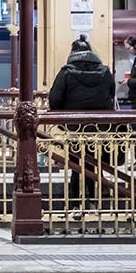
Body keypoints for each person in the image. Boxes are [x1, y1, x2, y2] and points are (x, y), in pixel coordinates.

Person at [50, 36, 117, 198]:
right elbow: (111, 95)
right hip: (101, 127)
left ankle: (75, 203)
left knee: (76, 163)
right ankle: (96, 201)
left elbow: (55, 99)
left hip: (74, 126)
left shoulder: (66, 72)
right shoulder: (105, 72)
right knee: (94, 162)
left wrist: (62, 120)